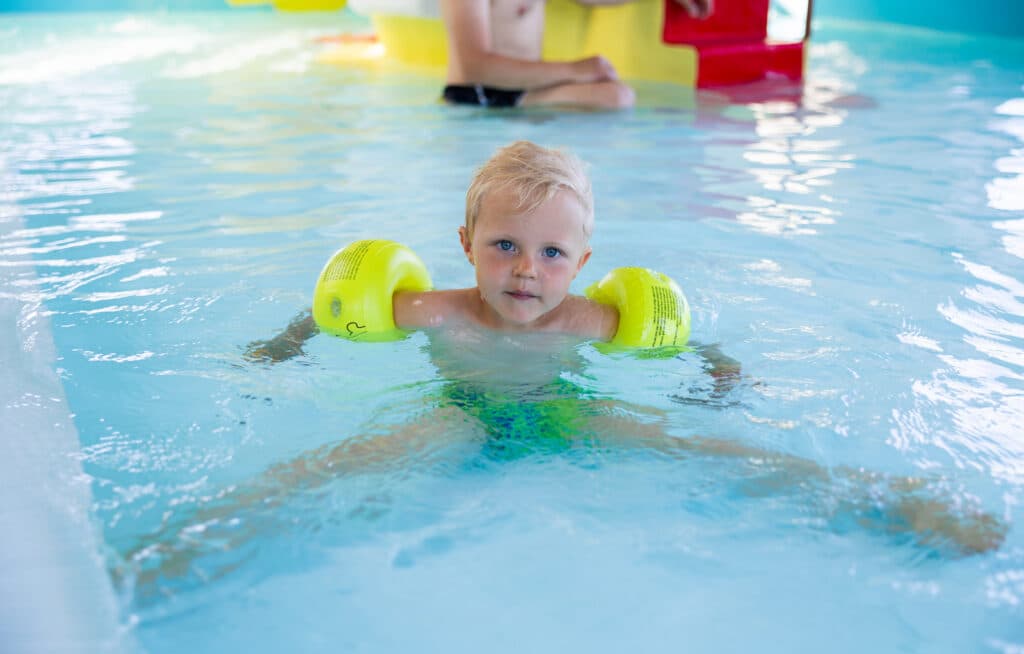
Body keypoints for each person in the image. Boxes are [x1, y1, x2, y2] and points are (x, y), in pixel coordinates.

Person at [118, 142, 1004, 602]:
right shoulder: (433, 308)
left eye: (550, 253)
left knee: (710, 453)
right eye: (503, 245)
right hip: (459, 415)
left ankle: (886, 502)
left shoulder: (596, 319)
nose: (524, 271)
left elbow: (689, 344)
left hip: (572, 416)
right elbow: (327, 312)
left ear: (582, 262)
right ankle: (186, 549)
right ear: (466, 243)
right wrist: (281, 348)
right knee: (335, 468)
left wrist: (723, 375)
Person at [440, 0, 714, 110]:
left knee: (617, 95)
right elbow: (474, 67)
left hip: (522, 90)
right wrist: (575, 70)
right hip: (475, 95)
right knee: (616, 97)